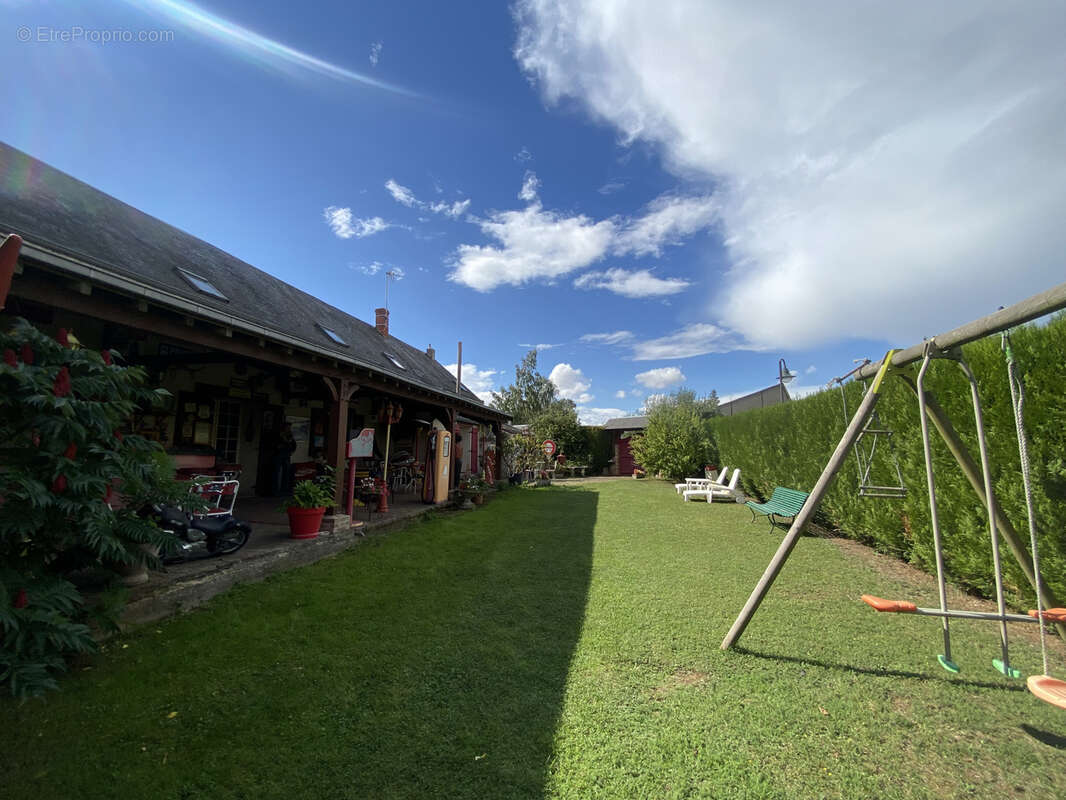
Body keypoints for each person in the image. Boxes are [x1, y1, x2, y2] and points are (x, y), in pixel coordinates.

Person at [273, 422, 296, 496]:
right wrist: (281, 446)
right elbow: (276, 445)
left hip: (287, 455)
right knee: (276, 472)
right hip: (279, 454)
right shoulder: (279, 434)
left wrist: (292, 451)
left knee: (286, 472)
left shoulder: (290, 435)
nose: (289, 429)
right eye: (287, 427)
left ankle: (284, 490)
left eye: (289, 427)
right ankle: (275, 490)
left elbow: (294, 444)